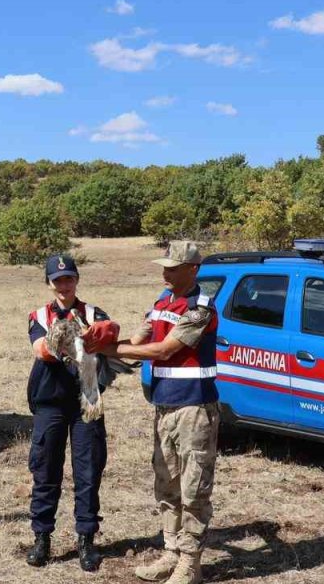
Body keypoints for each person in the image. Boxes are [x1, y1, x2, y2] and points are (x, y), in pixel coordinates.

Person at [106, 241, 219, 584]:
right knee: (166, 483)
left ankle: (190, 563)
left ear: (193, 269)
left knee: (194, 488)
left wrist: (113, 348)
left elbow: (166, 350)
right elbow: (141, 339)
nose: (165, 272)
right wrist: (106, 348)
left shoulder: (201, 309)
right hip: (164, 406)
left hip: (194, 409)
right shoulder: (161, 301)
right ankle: (171, 551)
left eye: (173, 267)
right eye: (164, 266)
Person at [24, 253, 120, 572]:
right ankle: (42, 538)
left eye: (69, 278)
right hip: (50, 401)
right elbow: (42, 351)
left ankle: (86, 540)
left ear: (77, 280)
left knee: (88, 469)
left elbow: (109, 334)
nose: (64, 285)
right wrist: (69, 338)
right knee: (45, 469)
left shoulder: (93, 312)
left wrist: (98, 335)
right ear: (49, 284)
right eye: (58, 280)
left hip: (86, 400)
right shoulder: (38, 315)